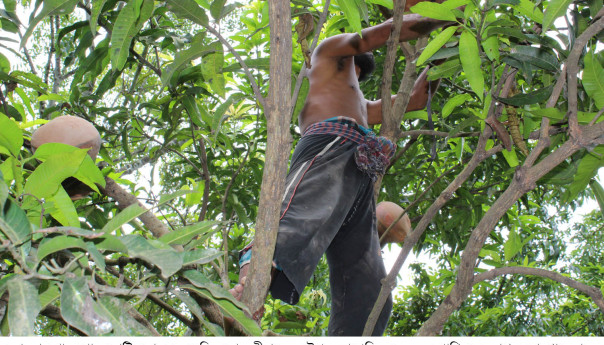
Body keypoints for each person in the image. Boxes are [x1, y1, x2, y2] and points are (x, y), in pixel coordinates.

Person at [230, 10, 452, 336]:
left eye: (358, 71)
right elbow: (379, 34)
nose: (356, 69)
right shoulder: (328, 51)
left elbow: (417, 99)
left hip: (360, 173)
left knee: (369, 289)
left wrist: (447, 49)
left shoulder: (359, 101)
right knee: (298, 223)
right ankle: (249, 283)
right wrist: (441, 15)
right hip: (330, 144)